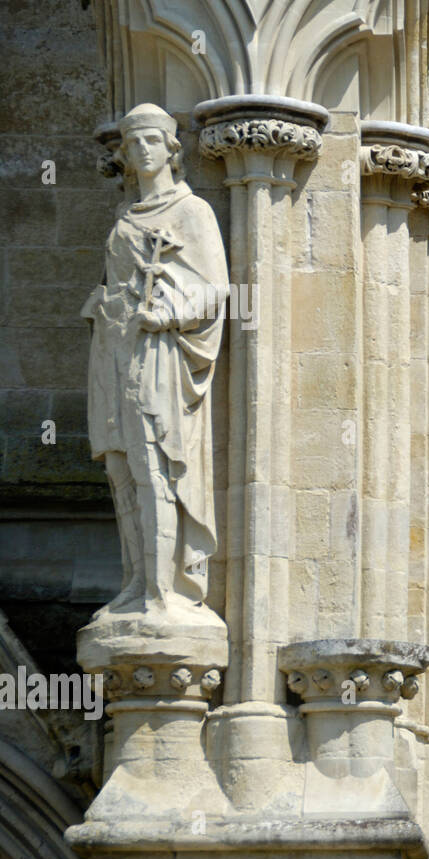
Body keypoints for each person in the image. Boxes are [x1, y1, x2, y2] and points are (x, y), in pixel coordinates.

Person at [82, 103, 228, 625]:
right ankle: (135, 581)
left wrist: (170, 311)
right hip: (114, 348)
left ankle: (164, 589)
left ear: (170, 148)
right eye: (132, 143)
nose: (141, 150)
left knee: (153, 468)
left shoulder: (191, 211)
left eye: (150, 141)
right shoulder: (126, 216)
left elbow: (215, 289)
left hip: (156, 352)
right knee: (120, 466)